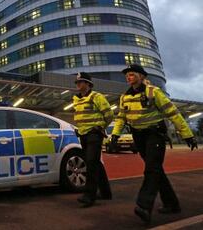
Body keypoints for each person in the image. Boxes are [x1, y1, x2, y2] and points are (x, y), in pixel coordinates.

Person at [111, 64, 198, 223]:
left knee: (152, 169)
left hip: (154, 135)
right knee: (156, 170)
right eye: (127, 75)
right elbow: (121, 118)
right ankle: (172, 204)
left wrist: (187, 135)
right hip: (138, 136)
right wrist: (115, 135)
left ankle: (144, 205)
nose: (128, 77)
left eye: (131, 74)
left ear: (142, 76)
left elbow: (172, 113)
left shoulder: (154, 93)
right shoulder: (125, 97)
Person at [73, 72, 113, 207]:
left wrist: (100, 127)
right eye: (77, 82)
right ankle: (106, 192)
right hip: (83, 134)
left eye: (81, 82)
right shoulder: (76, 99)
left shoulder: (97, 97)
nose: (78, 84)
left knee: (91, 163)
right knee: (95, 162)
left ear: (88, 84)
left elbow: (109, 114)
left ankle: (89, 195)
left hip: (94, 134)